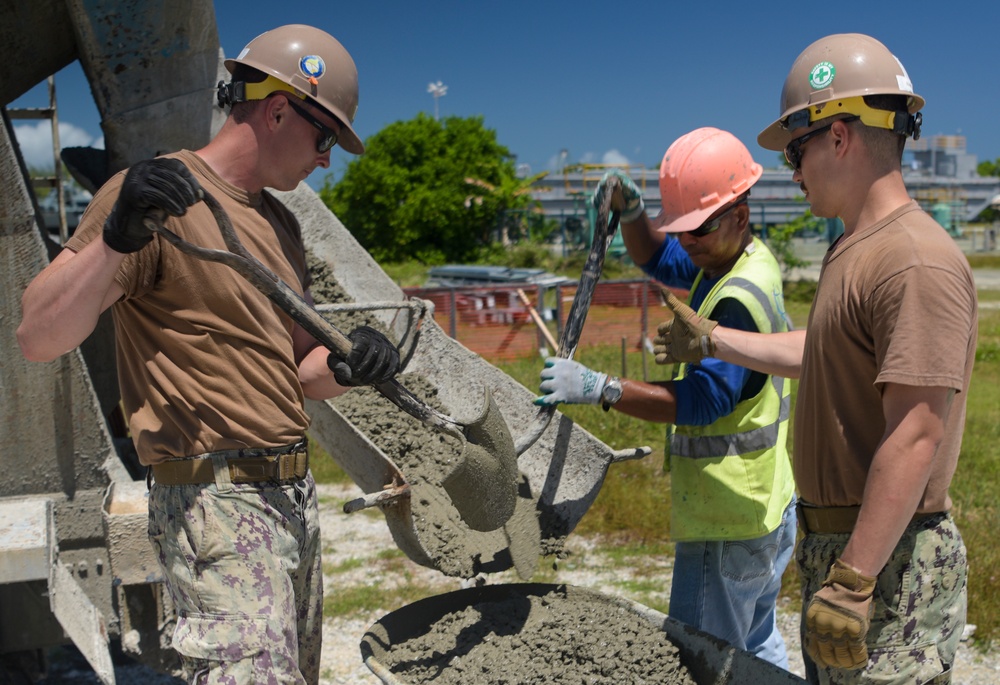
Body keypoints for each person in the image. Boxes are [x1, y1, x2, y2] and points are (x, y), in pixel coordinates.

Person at [17, 25, 400, 684]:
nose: (326, 159)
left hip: (291, 499)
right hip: (216, 507)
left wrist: (347, 365)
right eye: (325, 139)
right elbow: (38, 335)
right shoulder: (154, 197)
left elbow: (300, 371)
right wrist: (114, 240)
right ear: (279, 109)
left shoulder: (279, 224)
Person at [656, 34, 975, 685]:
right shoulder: (854, 248)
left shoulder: (913, 258)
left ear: (838, 137)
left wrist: (855, 579)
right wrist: (715, 340)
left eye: (796, 151)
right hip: (849, 542)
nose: (791, 172)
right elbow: (822, 353)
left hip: (887, 556)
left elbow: (916, 433)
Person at [535, 127, 797, 669]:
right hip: (766, 504)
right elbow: (659, 258)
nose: (689, 242)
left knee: (704, 660)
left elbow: (700, 401)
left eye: (697, 229)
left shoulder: (737, 303)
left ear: (740, 216)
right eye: (684, 228)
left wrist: (600, 387)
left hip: (729, 519)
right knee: (755, 645)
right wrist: (632, 213)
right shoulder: (730, 259)